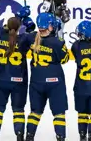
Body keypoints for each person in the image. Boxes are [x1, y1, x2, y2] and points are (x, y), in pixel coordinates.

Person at [25, 13, 69, 141]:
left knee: (35, 112)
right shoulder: (57, 42)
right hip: (55, 82)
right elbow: (65, 59)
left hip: (36, 81)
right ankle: (60, 137)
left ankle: (29, 137)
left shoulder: (31, 38)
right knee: (59, 113)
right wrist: (59, 35)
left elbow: (25, 39)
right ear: (50, 26)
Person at [0, 13, 34, 141]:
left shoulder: (1, 34)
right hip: (19, 81)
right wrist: (28, 23)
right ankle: (20, 136)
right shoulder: (25, 39)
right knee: (18, 110)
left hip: (1, 79)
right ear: (19, 26)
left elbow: (4, 28)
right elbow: (35, 36)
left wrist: (17, 19)